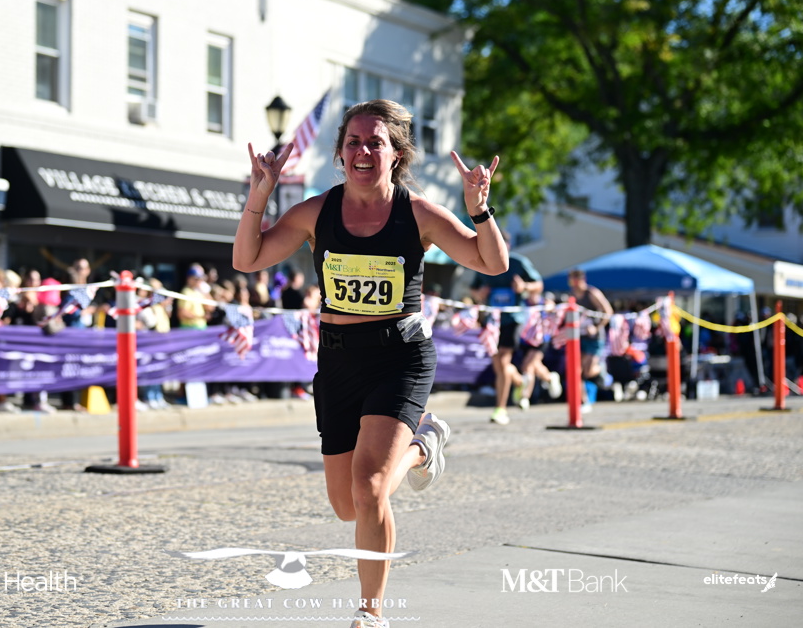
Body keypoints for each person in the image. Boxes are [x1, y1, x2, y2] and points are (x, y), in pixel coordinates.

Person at [233, 99, 508, 627]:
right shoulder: (315, 212)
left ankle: (371, 613)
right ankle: (423, 446)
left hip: (400, 358)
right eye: (353, 142)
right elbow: (247, 259)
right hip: (338, 361)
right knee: (347, 505)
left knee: (371, 488)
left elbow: (492, 263)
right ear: (340, 153)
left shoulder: (418, 213)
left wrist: (479, 208)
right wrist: (259, 195)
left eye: (375, 142)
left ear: (396, 153)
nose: (363, 151)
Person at [469, 230, 543, 425]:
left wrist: (524, 287)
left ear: (507, 246)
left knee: (503, 360)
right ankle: (520, 381)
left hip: (513, 318)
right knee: (499, 364)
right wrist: (479, 293)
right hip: (492, 321)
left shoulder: (518, 262)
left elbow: (538, 284)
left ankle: (501, 409)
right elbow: (473, 289)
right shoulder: (482, 263)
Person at [568, 268, 614, 410]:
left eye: (576, 279)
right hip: (579, 337)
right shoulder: (571, 295)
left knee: (588, 370)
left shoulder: (592, 293)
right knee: (577, 371)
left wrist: (596, 327)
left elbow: (608, 312)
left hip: (595, 337)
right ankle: (584, 401)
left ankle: (602, 371)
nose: (574, 283)